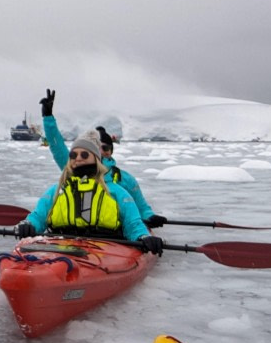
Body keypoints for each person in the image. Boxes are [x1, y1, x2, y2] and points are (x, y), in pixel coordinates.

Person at [15, 129, 164, 255]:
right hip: (62, 244)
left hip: (106, 248)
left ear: (96, 158)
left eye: (84, 155)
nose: (78, 159)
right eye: (73, 155)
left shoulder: (117, 192)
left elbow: (133, 224)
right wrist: (30, 224)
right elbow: (38, 216)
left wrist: (143, 236)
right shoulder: (57, 190)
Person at [39, 89, 167, 228]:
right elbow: (57, 146)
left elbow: (140, 206)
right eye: (98, 147)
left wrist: (149, 217)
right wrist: (48, 117)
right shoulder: (74, 168)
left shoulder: (125, 179)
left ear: (111, 151)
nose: (101, 151)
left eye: (105, 148)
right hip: (77, 235)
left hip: (113, 236)